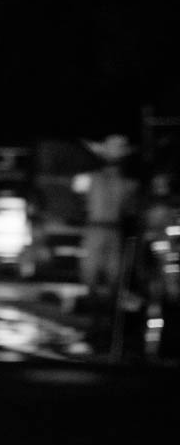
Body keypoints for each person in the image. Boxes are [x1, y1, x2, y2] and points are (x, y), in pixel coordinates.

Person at [74, 134, 139, 340]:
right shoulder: (89, 178)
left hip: (113, 230)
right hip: (96, 229)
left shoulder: (128, 184)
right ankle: (96, 321)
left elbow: (130, 210)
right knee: (91, 274)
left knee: (114, 277)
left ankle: (108, 323)